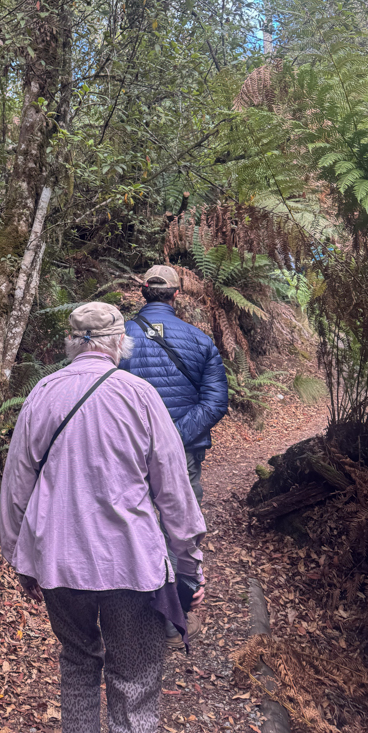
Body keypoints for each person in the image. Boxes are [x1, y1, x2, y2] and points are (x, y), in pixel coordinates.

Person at [0, 302, 206, 733]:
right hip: (131, 566)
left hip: (57, 563)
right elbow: (174, 490)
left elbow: (15, 487)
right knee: (134, 684)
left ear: (72, 343)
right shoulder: (139, 395)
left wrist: (19, 560)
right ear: (119, 342)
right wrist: (189, 565)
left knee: (77, 664)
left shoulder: (42, 393)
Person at [119, 264, 228, 646]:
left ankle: (132, 616)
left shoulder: (119, 339)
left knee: (132, 525)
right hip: (184, 454)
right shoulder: (199, 340)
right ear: (176, 295)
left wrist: (147, 438)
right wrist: (174, 438)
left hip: (128, 453)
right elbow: (215, 401)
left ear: (143, 292)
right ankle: (172, 618)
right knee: (178, 527)